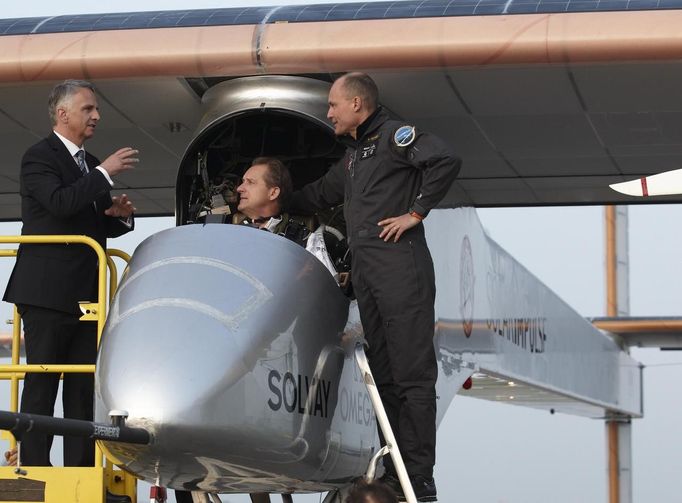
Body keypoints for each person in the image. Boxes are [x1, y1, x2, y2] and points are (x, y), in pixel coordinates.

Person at [290, 72, 461, 502]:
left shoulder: (393, 137)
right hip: (371, 280)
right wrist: (270, 198)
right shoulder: (355, 158)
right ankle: (395, 469)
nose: (327, 112)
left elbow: (444, 160)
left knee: (412, 378)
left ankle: (419, 478)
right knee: (384, 378)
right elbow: (317, 194)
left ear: (356, 105)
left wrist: (416, 213)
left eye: (333, 105)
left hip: (402, 274)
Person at [2, 79, 138, 467]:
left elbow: (90, 220)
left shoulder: (90, 165)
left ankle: (80, 467)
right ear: (63, 114)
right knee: (43, 379)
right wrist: (105, 174)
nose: (96, 115)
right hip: (46, 291)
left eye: (96, 109)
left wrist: (119, 217)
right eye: (88, 109)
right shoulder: (39, 157)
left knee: (81, 387)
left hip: (85, 293)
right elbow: (60, 204)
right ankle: (34, 464)